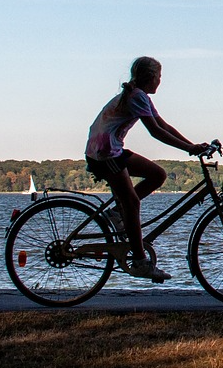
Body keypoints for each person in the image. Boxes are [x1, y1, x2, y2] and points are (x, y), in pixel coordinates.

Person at [85, 56, 209, 282]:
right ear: (151, 77)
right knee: (132, 203)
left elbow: (163, 124)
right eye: (159, 76)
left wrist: (192, 146)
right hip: (104, 153)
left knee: (157, 174)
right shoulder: (136, 96)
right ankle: (141, 262)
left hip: (110, 149)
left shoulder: (140, 95)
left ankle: (115, 213)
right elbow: (156, 132)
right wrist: (189, 149)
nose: (160, 81)